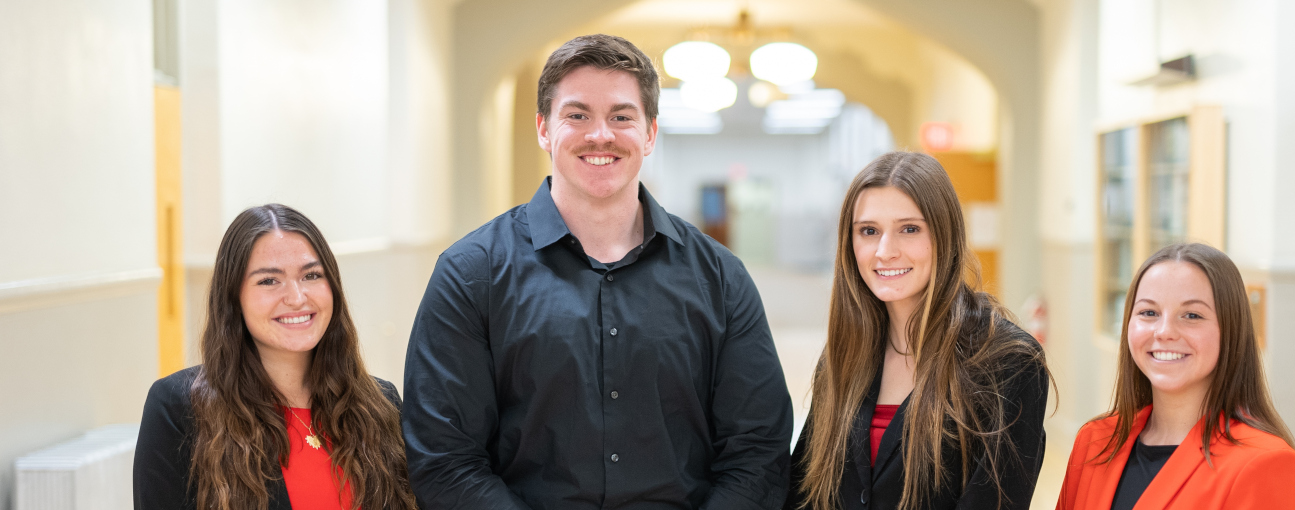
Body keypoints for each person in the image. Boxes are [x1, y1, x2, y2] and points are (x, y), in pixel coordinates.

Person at [402, 34, 793, 510]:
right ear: (545, 129)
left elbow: (758, 452)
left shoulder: (720, 277)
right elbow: (444, 458)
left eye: (622, 116)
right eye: (578, 114)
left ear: (649, 134)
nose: (601, 135)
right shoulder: (471, 274)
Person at [785, 152, 1050, 510]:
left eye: (909, 229)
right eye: (869, 231)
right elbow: (804, 491)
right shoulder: (845, 355)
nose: (884, 251)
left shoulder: (1008, 362)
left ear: (944, 235)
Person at [133, 204, 417, 509]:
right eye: (269, 280)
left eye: (311, 275)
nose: (296, 297)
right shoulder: (180, 408)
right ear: (233, 297)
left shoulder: (380, 404)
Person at [1055, 243, 1295, 510]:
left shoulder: (1265, 463)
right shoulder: (1094, 442)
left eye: (1192, 315)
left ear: (1230, 330)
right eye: (1149, 313)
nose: (1164, 332)